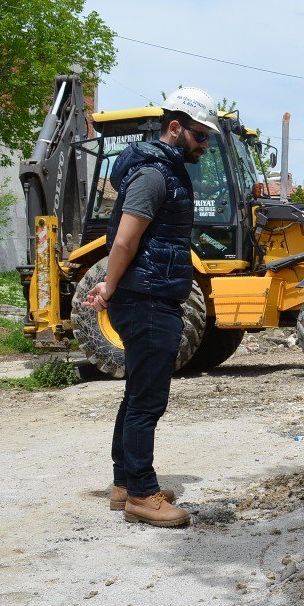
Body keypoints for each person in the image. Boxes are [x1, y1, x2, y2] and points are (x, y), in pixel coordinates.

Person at [82, 87, 221, 527]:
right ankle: (141, 494)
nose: (204, 145)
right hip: (146, 298)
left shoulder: (168, 170)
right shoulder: (153, 174)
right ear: (175, 127)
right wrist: (108, 286)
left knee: (138, 393)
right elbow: (124, 239)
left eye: (209, 139)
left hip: (151, 293)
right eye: (200, 136)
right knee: (148, 399)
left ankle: (125, 484)